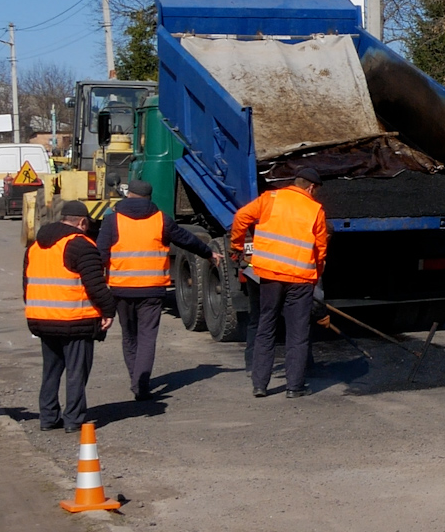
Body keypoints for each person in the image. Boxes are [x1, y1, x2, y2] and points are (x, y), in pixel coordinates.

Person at [97, 179, 215, 400]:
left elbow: (100, 254)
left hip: (121, 290)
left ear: (128, 195)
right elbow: (187, 239)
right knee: (147, 338)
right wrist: (209, 253)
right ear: (149, 198)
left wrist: (95, 285)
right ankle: (141, 384)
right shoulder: (161, 220)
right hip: (152, 290)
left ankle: (135, 379)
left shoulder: (113, 221)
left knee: (129, 337)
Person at [230, 167, 327, 398]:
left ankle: (260, 385)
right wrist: (315, 275)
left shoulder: (269, 198)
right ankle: (294, 387)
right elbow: (321, 250)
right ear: (311, 188)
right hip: (301, 279)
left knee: (266, 327)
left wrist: (237, 246)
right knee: (297, 333)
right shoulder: (315, 210)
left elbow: (241, 217)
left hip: (270, 276)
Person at [26, 200, 116, 431]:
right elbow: (95, 285)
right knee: (76, 371)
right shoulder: (81, 245)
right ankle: (73, 419)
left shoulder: (36, 246)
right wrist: (108, 310)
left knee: (51, 371)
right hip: (75, 319)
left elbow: (26, 284)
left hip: (42, 318)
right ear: (83, 222)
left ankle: (47, 417)